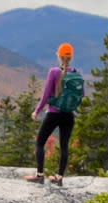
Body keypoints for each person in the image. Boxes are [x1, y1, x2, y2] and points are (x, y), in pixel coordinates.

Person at [25, 42, 82, 186]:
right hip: (68, 115)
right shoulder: (76, 73)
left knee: (40, 143)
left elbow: (45, 95)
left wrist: (37, 110)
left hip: (53, 114)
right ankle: (59, 177)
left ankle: (39, 175)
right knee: (64, 146)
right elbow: (82, 94)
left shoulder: (53, 72)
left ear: (59, 56)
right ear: (70, 57)